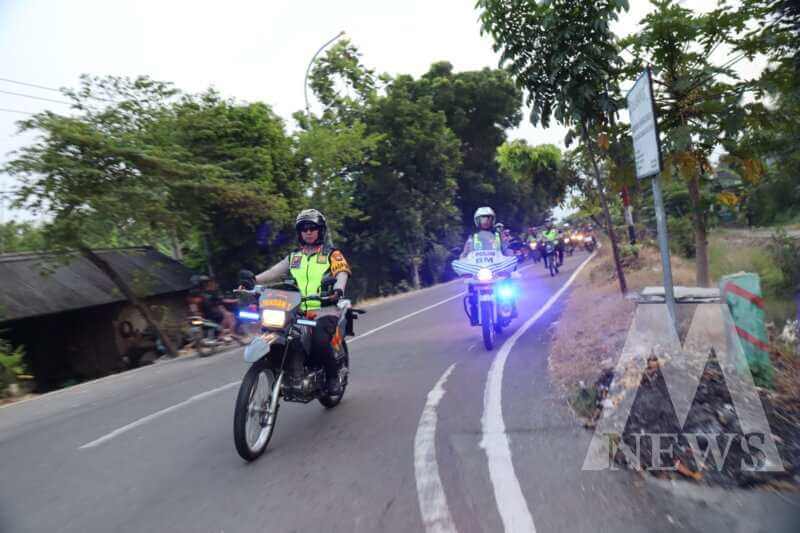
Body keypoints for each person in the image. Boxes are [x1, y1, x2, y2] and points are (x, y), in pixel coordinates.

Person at [253, 209, 351, 395]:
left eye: (312, 228)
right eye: (304, 229)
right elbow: (274, 272)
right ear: (299, 232)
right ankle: (287, 372)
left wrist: (338, 290)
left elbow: (342, 273)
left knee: (319, 340)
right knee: (280, 335)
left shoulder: (332, 254)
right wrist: (253, 280)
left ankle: (332, 377)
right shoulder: (294, 257)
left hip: (324, 309)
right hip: (296, 310)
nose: (308, 232)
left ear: (320, 230)